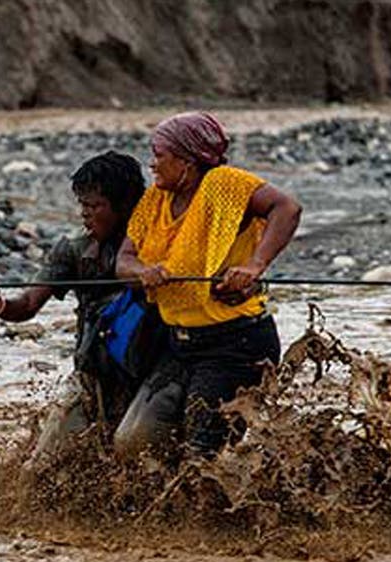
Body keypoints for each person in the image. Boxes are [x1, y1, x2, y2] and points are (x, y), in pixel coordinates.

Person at [0, 151, 175, 466]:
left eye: (94, 206)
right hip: (93, 378)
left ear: (125, 207)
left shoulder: (163, 250)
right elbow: (27, 305)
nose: (84, 214)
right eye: (82, 205)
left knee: (138, 454)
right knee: (40, 469)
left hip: (149, 375)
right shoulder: (74, 251)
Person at [115, 111, 302, 458]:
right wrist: (141, 271)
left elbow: (286, 208)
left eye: (159, 155)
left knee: (203, 456)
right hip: (179, 345)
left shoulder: (223, 184)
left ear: (187, 161)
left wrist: (254, 266)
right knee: (133, 442)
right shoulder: (155, 199)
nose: (152, 164)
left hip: (235, 345)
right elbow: (123, 260)